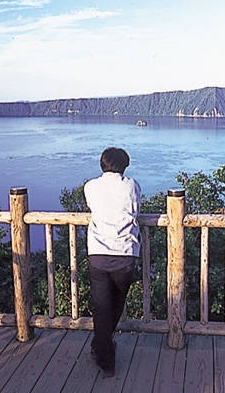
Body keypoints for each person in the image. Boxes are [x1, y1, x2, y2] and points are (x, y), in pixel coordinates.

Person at [84, 147, 141, 378]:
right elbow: (135, 210)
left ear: (102, 164)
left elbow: (93, 207)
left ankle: (102, 350)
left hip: (98, 253)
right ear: (124, 165)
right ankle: (103, 352)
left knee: (102, 307)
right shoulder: (131, 186)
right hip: (125, 253)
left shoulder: (91, 186)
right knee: (117, 304)